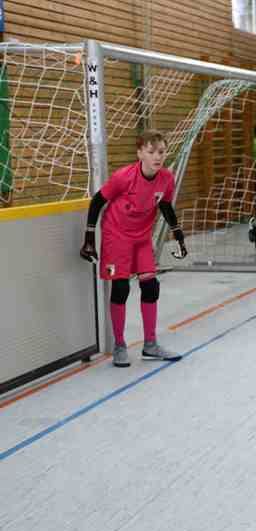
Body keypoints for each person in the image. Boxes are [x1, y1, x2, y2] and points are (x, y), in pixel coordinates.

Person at [79, 130, 186, 367]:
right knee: (121, 288)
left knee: (150, 285)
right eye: (151, 152)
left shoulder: (166, 178)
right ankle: (119, 345)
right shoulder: (123, 177)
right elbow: (97, 201)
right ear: (140, 154)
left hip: (141, 236)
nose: (157, 157)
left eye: (161, 152)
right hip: (117, 235)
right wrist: (89, 237)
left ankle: (150, 345)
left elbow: (165, 205)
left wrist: (178, 233)